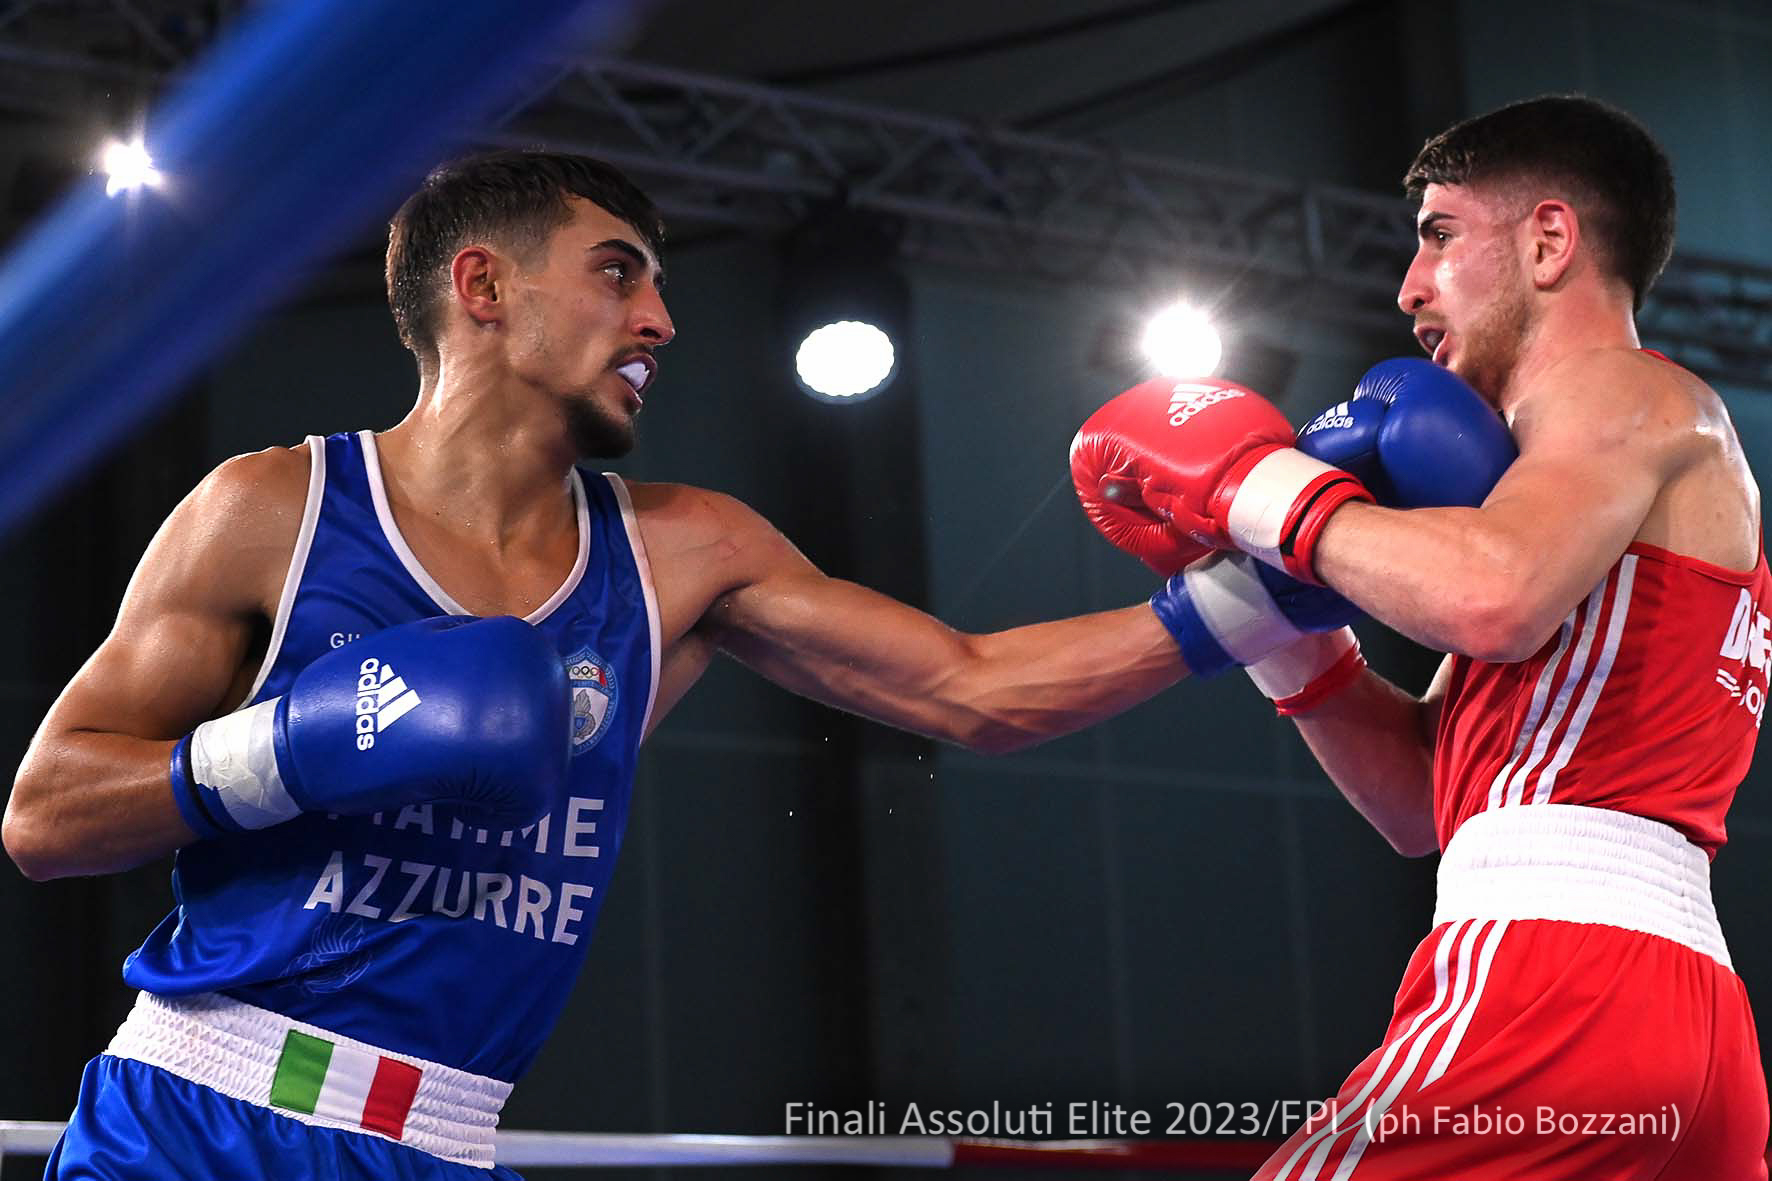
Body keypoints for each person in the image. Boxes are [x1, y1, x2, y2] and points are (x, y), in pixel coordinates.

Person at [1, 151, 1381, 1180]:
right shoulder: (275, 511)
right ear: (482, 287)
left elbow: (972, 687)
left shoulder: (682, 553)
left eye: (658, 282)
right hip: (194, 1115)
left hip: (441, 1140)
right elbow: (45, 814)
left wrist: (1266, 581)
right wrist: (291, 746)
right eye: (618, 272)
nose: (661, 319)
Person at [1072, 95, 1770, 1178]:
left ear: (1547, 241)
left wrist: (1255, 486)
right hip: (1684, 1015)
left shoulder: (1628, 392)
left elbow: (1491, 598)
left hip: (1553, 983)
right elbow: (1419, 800)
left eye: (1440, 235)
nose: (1407, 288)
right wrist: (1274, 618)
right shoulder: (1545, 494)